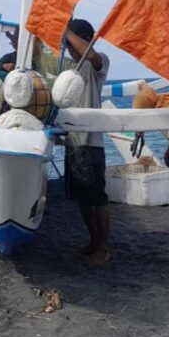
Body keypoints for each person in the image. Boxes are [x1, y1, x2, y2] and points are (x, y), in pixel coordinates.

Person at [64, 18, 111, 266]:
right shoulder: (69, 67)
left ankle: (103, 248)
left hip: (91, 142)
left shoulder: (98, 61)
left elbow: (90, 54)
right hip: (73, 142)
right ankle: (93, 241)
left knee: (97, 198)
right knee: (83, 199)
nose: (69, 48)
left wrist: (66, 30)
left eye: (71, 42)